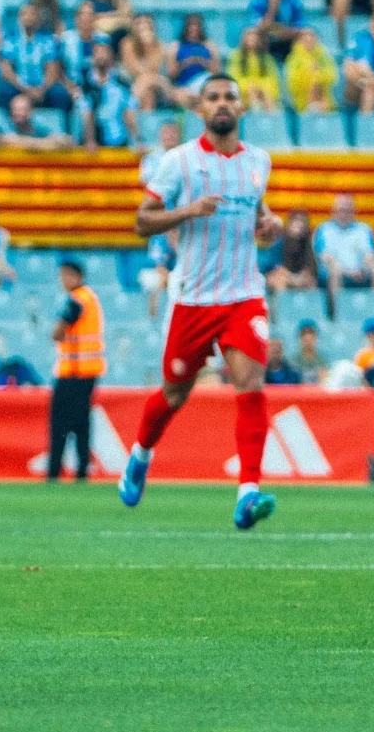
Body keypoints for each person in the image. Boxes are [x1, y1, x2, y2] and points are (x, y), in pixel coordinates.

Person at [119, 74, 279, 530]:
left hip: (243, 294)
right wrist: (188, 211)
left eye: (231, 96)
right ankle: (140, 454)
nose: (223, 103)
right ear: (201, 110)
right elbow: (142, 221)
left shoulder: (258, 162)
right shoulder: (179, 163)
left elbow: (259, 211)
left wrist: (272, 225)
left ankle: (248, 492)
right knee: (174, 393)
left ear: (241, 109)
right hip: (193, 298)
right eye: (214, 97)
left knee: (250, 383)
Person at [45, 257, 103, 482]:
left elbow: (57, 332)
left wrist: (57, 329)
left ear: (74, 276)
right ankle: (81, 472)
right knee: (81, 424)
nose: (62, 281)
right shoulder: (91, 298)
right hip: (87, 372)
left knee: (59, 424)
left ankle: (54, 471)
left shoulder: (77, 300)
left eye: (64, 276)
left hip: (74, 373)